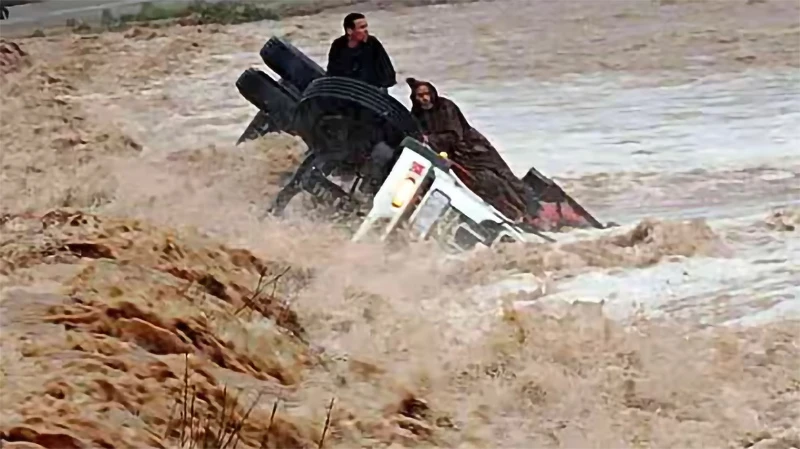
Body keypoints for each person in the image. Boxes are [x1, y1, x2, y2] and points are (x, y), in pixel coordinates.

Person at [406, 77, 541, 222]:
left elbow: (455, 134)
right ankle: (512, 214)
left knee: (505, 176)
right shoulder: (416, 115)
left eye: (427, 94)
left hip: (475, 149)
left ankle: (534, 210)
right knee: (486, 185)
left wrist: (431, 139)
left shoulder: (446, 106)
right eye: (420, 96)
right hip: (457, 158)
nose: (425, 99)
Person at [326, 12, 397, 92]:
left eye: (366, 26)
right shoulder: (338, 46)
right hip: (347, 91)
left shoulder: (373, 44)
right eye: (362, 27)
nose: (366, 30)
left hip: (372, 92)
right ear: (349, 31)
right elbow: (332, 72)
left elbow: (386, 71)